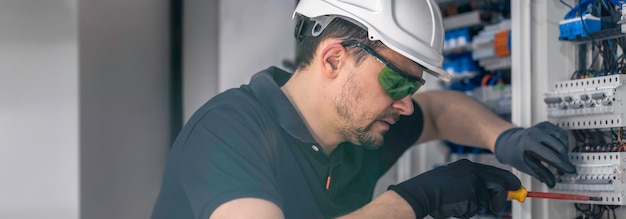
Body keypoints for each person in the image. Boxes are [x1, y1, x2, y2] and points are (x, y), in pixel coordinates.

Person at [151, 0, 576, 218]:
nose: (406, 104)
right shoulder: (228, 131)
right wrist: (417, 197)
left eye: (413, 85)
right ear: (333, 59)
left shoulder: (358, 130)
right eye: (396, 81)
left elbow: (441, 112)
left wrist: (503, 138)